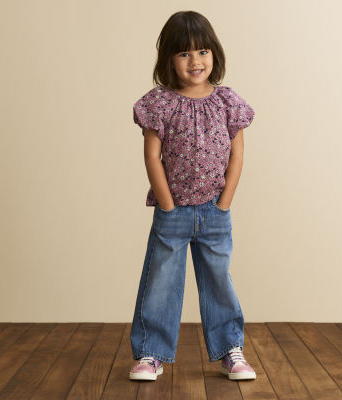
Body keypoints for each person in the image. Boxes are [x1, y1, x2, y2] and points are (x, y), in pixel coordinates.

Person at [129, 10, 256, 381]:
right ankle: (151, 354)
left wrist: (224, 202)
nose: (195, 61)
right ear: (169, 59)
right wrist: (167, 205)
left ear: (214, 53)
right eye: (184, 53)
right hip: (173, 212)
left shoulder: (228, 101)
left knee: (218, 280)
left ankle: (231, 349)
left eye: (202, 51)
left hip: (214, 210)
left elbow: (237, 154)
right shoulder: (160, 103)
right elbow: (152, 156)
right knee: (161, 282)